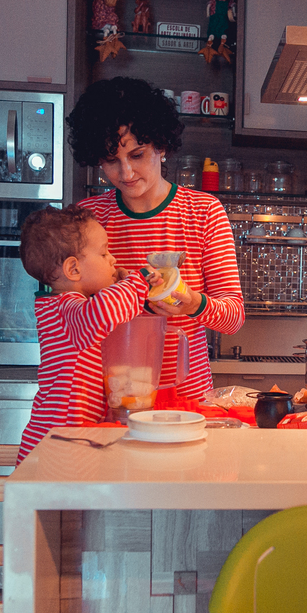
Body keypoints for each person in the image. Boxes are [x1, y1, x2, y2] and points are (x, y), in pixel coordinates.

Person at [68, 76, 244, 401]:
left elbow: (233, 316)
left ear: (161, 146)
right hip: (109, 398)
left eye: (137, 155)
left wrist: (193, 303)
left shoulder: (203, 212)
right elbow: (70, 310)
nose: (126, 173)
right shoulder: (87, 218)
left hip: (185, 401)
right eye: (111, 161)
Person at [15, 204, 163, 462]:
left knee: (70, 502)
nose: (113, 260)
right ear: (73, 270)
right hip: (59, 441)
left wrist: (120, 286)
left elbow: (102, 309)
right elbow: (103, 312)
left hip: (64, 438)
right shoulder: (67, 309)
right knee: (58, 502)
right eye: (104, 253)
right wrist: (138, 281)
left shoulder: (69, 308)